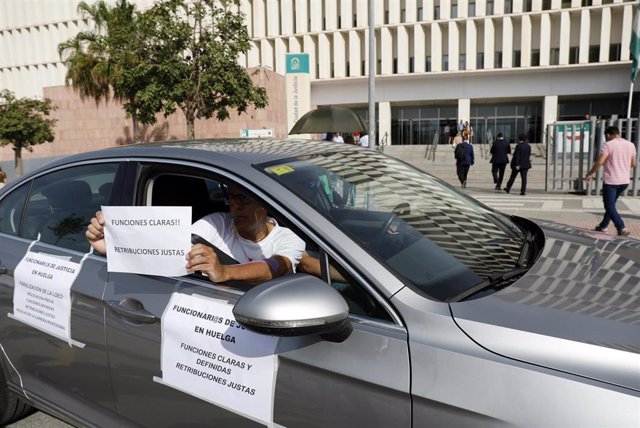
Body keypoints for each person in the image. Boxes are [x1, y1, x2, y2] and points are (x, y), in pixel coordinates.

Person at [86, 186, 306, 284]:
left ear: (265, 204)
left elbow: (276, 268)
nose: (235, 207)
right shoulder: (217, 223)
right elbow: (168, 245)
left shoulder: (288, 239)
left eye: (243, 199)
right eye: (231, 199)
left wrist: (224, 271)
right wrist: (112, 246)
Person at [584, 126, 637, 236]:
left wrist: (589, 174)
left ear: (608, 135)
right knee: (611, 205)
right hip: (624, 181)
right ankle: (603, 226)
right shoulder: (631, 145)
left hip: (611, 181)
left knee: (609, 206)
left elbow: (599, 162)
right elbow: (633, 164)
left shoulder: (608, 145)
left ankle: (621, 227)